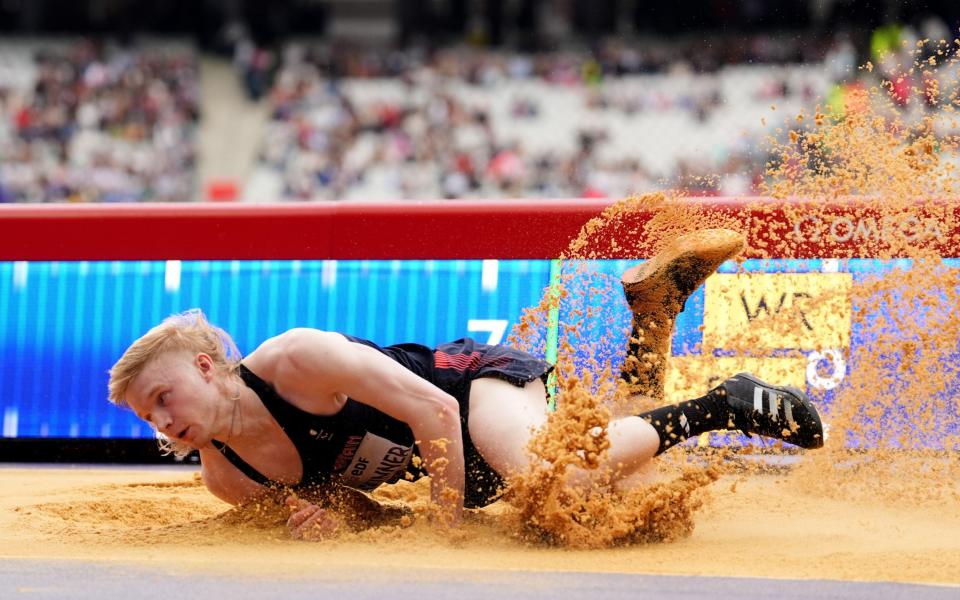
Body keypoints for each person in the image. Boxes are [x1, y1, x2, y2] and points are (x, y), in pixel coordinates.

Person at [107, 229, 824, 540]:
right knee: (600, 491)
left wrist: (446, 536)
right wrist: (335, 525)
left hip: (466, 394)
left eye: (163, 398)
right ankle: (652, 317)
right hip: (456, 470)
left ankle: (719, 404)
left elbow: (429, 413)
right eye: (148, 417)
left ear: (206, 367)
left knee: (554, 481)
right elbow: (369, 512)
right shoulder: (227, 479)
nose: (161, 423)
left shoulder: (296, 360)